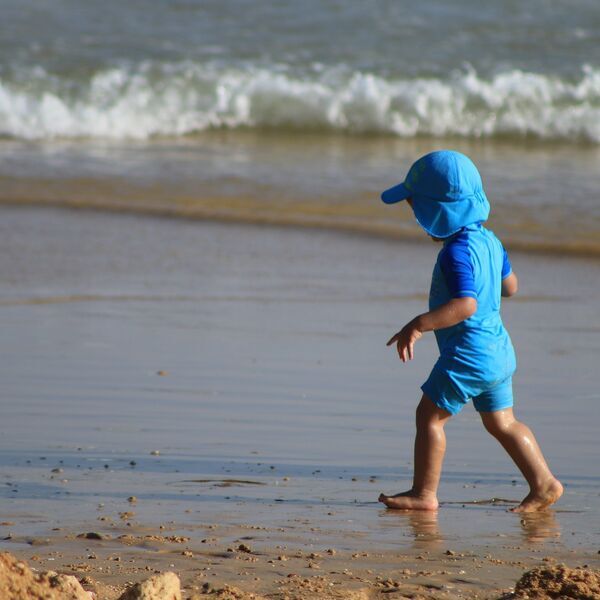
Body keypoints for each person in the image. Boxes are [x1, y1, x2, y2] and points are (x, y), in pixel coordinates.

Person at [377, 150, 563, 513]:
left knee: (428, 417)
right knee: (503, 423)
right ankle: (543, 483)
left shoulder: (455, 253)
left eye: (416, 207)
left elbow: (466, 306)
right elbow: (511, 287)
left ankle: (424, 493)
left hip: (469, 354)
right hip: (499, 352)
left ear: (435, 211)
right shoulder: (491, 242)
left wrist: (419, 324)